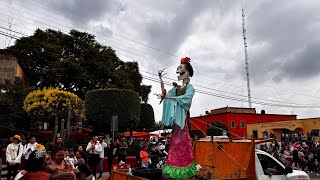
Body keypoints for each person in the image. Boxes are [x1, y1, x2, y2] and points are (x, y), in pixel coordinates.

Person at [158, 57, 197, 179]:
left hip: (183, 119)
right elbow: (166, 96)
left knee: (184, 142)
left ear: (188, 72)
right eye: (179, 68)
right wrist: (161, 80)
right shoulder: (175, 88)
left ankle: (184, 167)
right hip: (176, 121)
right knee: (175, 143)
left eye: (181, 69)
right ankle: (173, 166)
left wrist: (175, 99)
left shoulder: (190, 88)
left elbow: (187, 99)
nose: (178, 71)